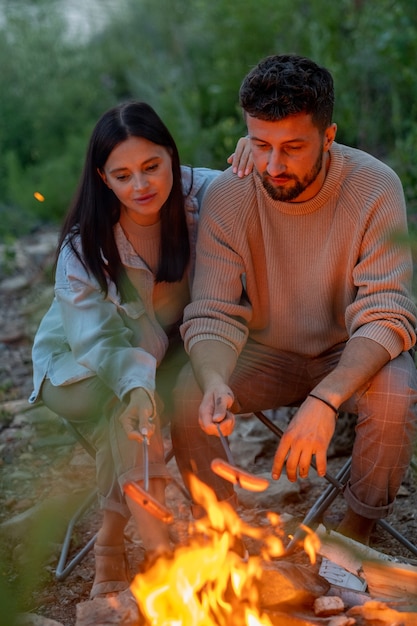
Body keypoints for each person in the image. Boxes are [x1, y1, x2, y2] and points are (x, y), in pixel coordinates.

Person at [172, 54, 417, 547]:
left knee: (396, 390)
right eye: (260, 144)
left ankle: (357, 535)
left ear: (328, 138)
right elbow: (213, 312)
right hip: (266, 354)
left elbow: (387, 311)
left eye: (292, 147)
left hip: (346, 352)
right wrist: (215, 375)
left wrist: (325, 398)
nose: (273, 165)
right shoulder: (230, 195)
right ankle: (226, 534)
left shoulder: (375, 187)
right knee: (189, 389)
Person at [29, 100, 251, 598]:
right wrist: (137, 389)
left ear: (171, 156)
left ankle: (115, 538)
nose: (141, 186)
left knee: (156, 395)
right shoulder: (85, 244)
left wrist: (250, 152)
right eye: (123, 175)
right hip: (82, 366)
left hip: (164, 351)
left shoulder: (207, 193)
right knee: (124, 403)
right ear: (104, 179)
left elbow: (263, 183)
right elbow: (98, 341)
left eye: (152, 167)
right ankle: (158, 555)